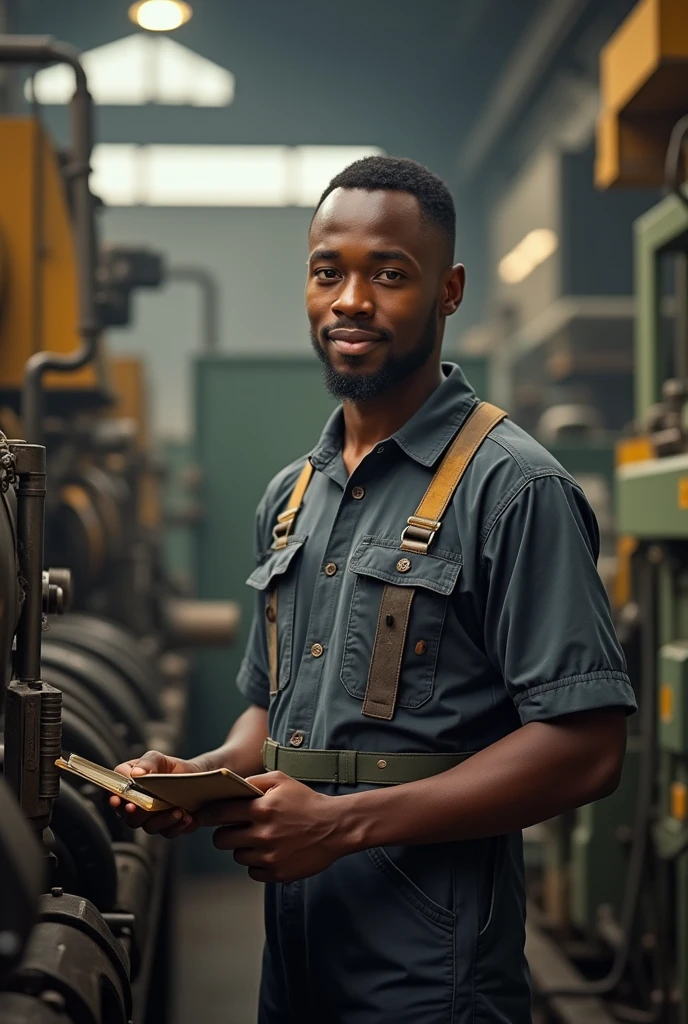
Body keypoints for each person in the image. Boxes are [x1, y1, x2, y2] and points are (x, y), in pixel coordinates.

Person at [112, 156, 636, 1023]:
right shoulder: (291, 498)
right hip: (299, 962)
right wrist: (197, 779)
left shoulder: (513, 491)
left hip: (431, 976)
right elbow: (270, 716)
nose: (351, 300)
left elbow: (586, 747)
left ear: (450, 289)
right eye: (329, 272)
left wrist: (344, 825)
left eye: (389, 274)